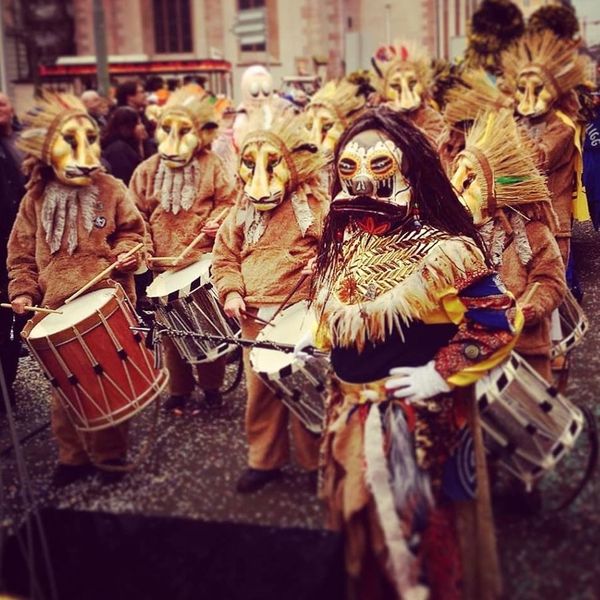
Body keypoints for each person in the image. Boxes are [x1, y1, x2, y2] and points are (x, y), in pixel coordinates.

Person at [309, 108, 522, 599]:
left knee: (415, 544)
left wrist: (439, 372)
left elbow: (494, 323)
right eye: (348, 168)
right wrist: (323, 336)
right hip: (349, 410)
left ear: (410, 169)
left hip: (412, 423)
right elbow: (341, 301)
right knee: (358, 534)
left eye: (379, 166)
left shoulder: (446, 250)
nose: (362, 181)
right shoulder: (346, 237)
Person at [7, 92, 146, 487]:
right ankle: (72, 458)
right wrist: (23, 292)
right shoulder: (33, 199)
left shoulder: (112, 188)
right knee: (63, 394)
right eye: (70, 141)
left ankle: (110, 457)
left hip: (106, 302)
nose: (85, 154)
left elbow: (135, 233)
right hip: (55, 311)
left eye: (90, 140)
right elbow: (20, 256)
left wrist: (126, 254)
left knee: (107, 387)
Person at [211, 109, 328, 494]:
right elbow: (224, 257)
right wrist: (230, 292)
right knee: (259, 394)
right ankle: (264, 460)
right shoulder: (239, 212)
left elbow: (337, 251)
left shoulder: (315, 206)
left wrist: (321, 264)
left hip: (300, 316)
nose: (259, 184)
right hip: (254, 320)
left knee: (304, 389)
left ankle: (315, 462)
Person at [130, 85, 237, 411]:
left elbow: (230, 202)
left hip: (200, 262)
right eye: (167, 129)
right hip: (163, 268)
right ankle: (178, 390)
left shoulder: (213, 165)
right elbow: (136, 216)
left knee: (205, 328)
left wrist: (218, 222)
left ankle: (212, 388)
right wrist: (143, 248)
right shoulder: (146, 170)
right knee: (171, 336)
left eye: (184, 131)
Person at [451, 109, 566, 381]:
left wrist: (525, 309)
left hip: (522, 348)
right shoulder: (457, 235)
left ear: (495, 190)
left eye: (468, 180)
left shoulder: (531, 232)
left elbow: (550, 280)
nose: (456, 188)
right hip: (471, 348)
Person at [501, 30, 590, 264]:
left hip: (552, 224)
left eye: (538, 88)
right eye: (522, 89)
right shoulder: (517, 122)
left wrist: (511, 126)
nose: (528, 100)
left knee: (552, 285)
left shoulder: (563, 127)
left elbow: (536, 160)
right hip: (520, 221)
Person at [0, 92, 26, 409]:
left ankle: (9, 383)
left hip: (17, 249)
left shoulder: (16, 144)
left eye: (3, 104)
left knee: (16, 321)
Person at [371, 42, 445, 145]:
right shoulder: (374, 119)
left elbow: (432, 149)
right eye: (395, 85)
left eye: (413, 83)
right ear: (384, 90)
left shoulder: (432, 118)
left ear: (422, 84)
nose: (405, 92)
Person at [101, 106, 145, 185]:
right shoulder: (118, 150)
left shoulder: (134, 145)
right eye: (138, 123)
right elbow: (124, 180)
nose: (143, 127)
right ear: (127, 126)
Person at [115, 79, 156, 157]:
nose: (145, 95)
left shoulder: (141, 114)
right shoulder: (122, 117)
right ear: (130, 97)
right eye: (142, 92)